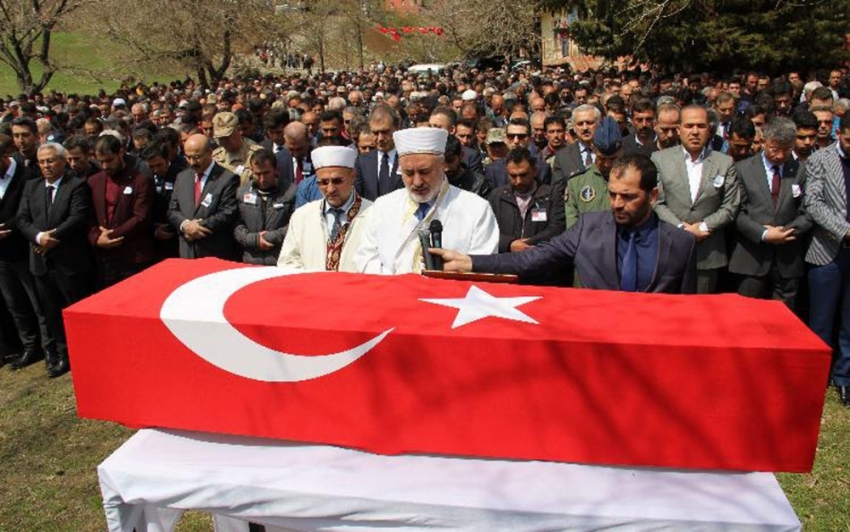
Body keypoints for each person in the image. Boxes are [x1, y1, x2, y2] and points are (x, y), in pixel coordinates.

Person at [432, 154, 697, 294]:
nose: (616, 203)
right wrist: (471, 262)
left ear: (652, 196)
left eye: (628, 197)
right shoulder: (588, 227)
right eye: (613, 194)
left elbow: (687, 313)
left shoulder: (681, 243)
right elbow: (532, 259)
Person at [354, 128, 498, 274]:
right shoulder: (382, 207)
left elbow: (482, 268)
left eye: (424, 172)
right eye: (409, 173)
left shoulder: (477, 209)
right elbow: (366, 259)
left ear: (442, 166)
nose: (417, 182)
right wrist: (399, 286)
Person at [16, 143, 94, 378]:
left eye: (50, 161)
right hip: (41, 262)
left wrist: (53, 236)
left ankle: (86, 354)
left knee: (76, 310)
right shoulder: (32, 186)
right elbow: (22, 218)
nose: (46, 166)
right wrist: (39, 237)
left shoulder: (76, 186)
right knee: (51, 312)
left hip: (69, 262)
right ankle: (64, 355)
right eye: (42, 161)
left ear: (62, 161)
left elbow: (78, 216)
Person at [652, 105, 740, 293]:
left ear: (709, 130)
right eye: (689, 126)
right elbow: (657, 202)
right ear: (678, 129)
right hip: (669, 249)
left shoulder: (723, 162)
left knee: (703, 313)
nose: (694, 132)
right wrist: (682, 229)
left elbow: (730, 206)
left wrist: (703, 227)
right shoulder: (659, 159)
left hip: (708, 252)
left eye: (700, 126)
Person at [728, 117, 811, 312]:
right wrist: (763, 234)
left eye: (786, 149)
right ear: (764, 141)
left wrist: (784, 232)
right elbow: (736, 212)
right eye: (775, 149)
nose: (780, 155)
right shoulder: (742, 169)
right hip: (751, 257)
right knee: (747, 316)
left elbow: (808, 211)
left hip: (788, 257)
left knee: (784, 321)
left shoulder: (801, 170)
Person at [804, 113, 850, 406]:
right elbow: (813, 202)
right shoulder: (821, 159)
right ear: (839, 134)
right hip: (828, 250)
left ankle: (844, 377)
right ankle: (815, 377)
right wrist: (844, 231)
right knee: (821, 319)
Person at [278, 146, 372, 271]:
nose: (330, 189)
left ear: (353, 176)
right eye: (323, 182)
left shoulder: (374, 214)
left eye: (337, 181)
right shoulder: (302, 216)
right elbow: (288, 262)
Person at [0, 134, 47, 371]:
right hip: (2, 256)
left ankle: (45, 345)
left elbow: (28, 211)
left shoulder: (25, 177)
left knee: (36, 300)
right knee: (14, 302)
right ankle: (28, 345)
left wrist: (9, 227)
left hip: (24, 249)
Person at [87, 135, 155, 289]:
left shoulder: (140, 181)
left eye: (109, 160)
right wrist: (96, 238)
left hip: (133, 256)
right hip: (104, 259)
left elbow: (141, 217)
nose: (105, 166)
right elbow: (88, 216)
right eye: (101, 161)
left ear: (121, 152)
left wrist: (111, 236)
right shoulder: (93, 181)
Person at [167, 134, 239, 260]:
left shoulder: (227, 179)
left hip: (213, 252)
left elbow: (228, 213)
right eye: (188, 157)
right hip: (187, 252)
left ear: (210, 153)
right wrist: (185, 225)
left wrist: (198, 228)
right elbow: (173, 210)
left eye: (196, 157)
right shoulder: (182, 177)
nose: (192, 162)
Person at [234, 149, 296, 265]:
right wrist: (254, 240)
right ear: (252, 171)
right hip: (250, 261)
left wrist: (270, 237)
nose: (262, 179)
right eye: (257, 174)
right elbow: (236, 224)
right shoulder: (241, 193)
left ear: (275, 170)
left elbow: (295, 225)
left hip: (281, 261)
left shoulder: (291, 192)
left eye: (266, 173)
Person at [565, 117, 623, 228]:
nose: (607, 164)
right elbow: (572, 227)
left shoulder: (631, 179)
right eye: (602, 158)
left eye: (612, 159)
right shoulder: (577, 182)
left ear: (621, 152)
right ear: (593, 149)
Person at [354, 105, 401, 201]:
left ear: (397, 128)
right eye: (375, 133)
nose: (380, 138)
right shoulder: (362, 162)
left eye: (385, 132)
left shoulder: (408, 158)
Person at [211, 111, 263, 186]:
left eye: (227, 137)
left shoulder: (257, 153)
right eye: (220, 138)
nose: (224, 141)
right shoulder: (215, 156)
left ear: (238, 130)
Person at [552, 104, 600, 182]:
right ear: (574, 127)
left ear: (599, 124)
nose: (585, 128)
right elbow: (557, 191)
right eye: (580, 124)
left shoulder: (609, 153)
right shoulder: (563, 156)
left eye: (589, 123)